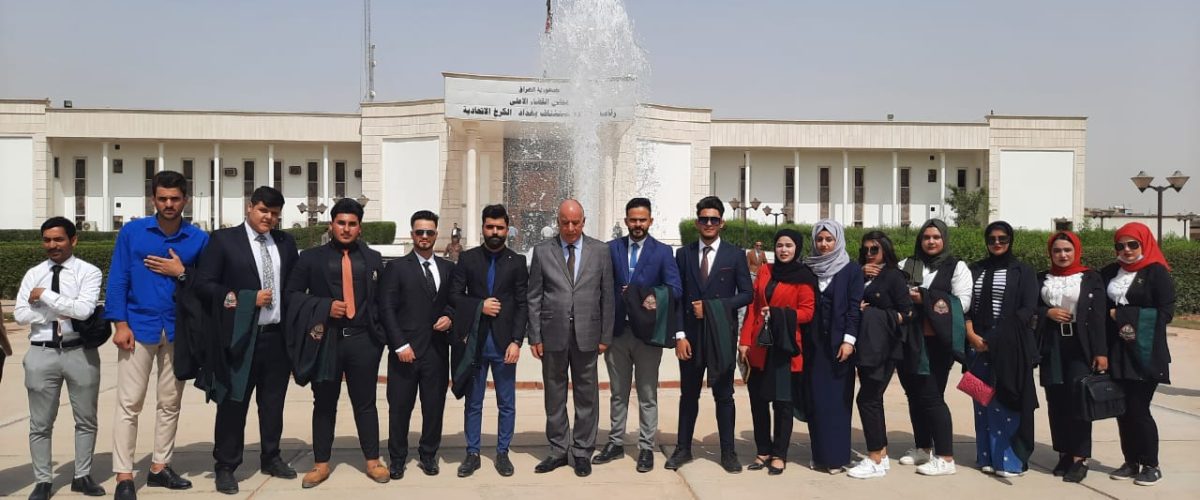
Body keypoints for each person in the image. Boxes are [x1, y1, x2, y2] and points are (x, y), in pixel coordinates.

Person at [106, 170, 207, 500]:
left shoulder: (198, 239)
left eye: (175, 198)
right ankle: (124, 475)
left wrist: (182, 272)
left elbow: (206, 284)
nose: (168, 204)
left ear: (185, 200)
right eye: (162, 198)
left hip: (178, 330)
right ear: (153, 199)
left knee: (170, 402)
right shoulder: (133, 233)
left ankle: (160, 467)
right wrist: (120, 324)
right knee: (129, 403)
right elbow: (118, 278)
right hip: (138, 327)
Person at [193, 186, 299, 494]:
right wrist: (243, 298)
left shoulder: (285, 242)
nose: (269, 218)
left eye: (275, 214)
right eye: (264, 210)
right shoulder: (223, 240)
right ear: (249, 207)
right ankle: (226, 465)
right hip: (240, 338)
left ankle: (271, 457)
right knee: (233, 404)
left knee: (273, 404)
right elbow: (204, 285)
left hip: (276, 338)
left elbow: (294, 286)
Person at [284, 198, 388, 487]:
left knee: (365, 403)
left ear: (360, 228)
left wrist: (378, 337)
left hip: (363, 341)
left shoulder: (373, 258)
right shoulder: (310, 258)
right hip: (326, 341)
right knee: (324, 404)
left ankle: (372, 461)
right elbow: (291, 295)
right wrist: (324, 306)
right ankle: (321, 464)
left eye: (352, 224)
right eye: (341, 223)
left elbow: (382, 300)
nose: (346, 228)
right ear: (331, 225)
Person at [14, 217, 106, 499]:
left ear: (73, 240)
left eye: (58, 239)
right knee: (40, 423)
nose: (52, 245)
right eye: (47, 240)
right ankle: (43, 480)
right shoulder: (34, 273)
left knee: (86, 419)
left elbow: (84, 310)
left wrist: (44, 296)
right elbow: (20, 314)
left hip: (80, 352)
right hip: (41, 353)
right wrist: (58, 309)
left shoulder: (88, 272)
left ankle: (82, 475)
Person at [527, 199, 615, 477]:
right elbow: (534, 296)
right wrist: (534, 336)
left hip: (588, 335)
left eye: (576, 222)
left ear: (583, 222)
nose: (570, 228)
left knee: (586, 395)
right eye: (565, 222)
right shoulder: (543, 251)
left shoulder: (600, 251)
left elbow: (607, 296)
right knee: (554, 394)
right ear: (558, 222)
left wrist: (605, 335)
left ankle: (582, 451)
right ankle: (557, 450)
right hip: (552, 334)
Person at [594, 198, 682, 473]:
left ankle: (646, 447)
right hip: (617, 333)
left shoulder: (663, 252)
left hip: (647, 335)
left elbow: (676, 288)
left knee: (647, 393)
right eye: (633, 220)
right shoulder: (611, 249)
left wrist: (655, 296)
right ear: (626, 221)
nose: (637, 224)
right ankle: (615, 443)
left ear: (650, 221)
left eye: (642, 220)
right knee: (618, 393)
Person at [666, 196, 753, 474]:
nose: (708, 223)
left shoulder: (734, 255)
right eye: (704, 219)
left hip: (721, 336)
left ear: (722, 223)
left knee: (724, 395)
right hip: (691, 338)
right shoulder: (684, 254)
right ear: (697, 222)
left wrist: (715, 307)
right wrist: (679, 335)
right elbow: (678, 298)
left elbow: (747, 294)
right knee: (688, 395)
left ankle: (728, 452)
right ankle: (683, 449)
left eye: (714, 219)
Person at [449, 204, 528, 478]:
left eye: (500, 228)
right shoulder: (468, 259)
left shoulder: (517, 262)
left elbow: (522, 304)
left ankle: (502, 452)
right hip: (476, 343)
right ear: (483, 227)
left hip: (505, 345)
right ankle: (472, 453)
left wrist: (517, 341)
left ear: (507, 230)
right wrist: (479, 305)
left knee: (506, 403)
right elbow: (455, 295)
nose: (495, 232)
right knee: (474, 402)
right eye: (490, 227)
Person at [379, 211, 455, 479]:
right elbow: (386, 308)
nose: (424, 236)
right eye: (419, 232)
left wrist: (450, 317)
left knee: (434, 407)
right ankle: (397, 458)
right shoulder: (396, 268)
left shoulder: (447, 268)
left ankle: (429, 455)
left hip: (436, 351)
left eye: (429, 232)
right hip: (405, 352)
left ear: (436, 234)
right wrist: (399, 345)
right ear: (412, 234)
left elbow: (454, 301)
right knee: (400, 408)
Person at [895, 218, 971, 476]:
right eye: (926, 237)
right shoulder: (907, 264)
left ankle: (946, 457)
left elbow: (962, 302)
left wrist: (925, 298)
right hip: (909, 338)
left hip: (936, 341)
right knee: (913, 395)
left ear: (944, 239)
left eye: (936, 237)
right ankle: (923, 447)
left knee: (932, 396)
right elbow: (895, 291)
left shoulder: (956, 267)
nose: (931, 241)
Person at [964, 221, 1039, 478]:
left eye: (1002, 238)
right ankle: (986, 456)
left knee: (1008, 401)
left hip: (1010, 347)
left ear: (1010, 240)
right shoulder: (975, 269)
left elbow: (1027, 309)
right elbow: (965, 305)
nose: (997, 243)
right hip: (977, 345)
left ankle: (1010, 462)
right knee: (982, 402)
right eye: (992, 239)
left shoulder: (1023, 271)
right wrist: (971, 334)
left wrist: (995, 338)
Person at [738, 229, 815, 476]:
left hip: (785, 347)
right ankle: (763, 450)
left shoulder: (804, 277)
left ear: (797, 248)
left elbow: (808, 312)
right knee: (758, 400)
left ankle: (779, 454)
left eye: (789, 245)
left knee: (783, 403)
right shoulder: (765, 270)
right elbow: (753, 306)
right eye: (780, 245)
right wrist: (744, 340)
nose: (783, 250)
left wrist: (780, 314)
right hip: (760, 345)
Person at [1101, 222, 1174, 486]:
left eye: (1133, 244)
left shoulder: (1157, 272)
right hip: (1117, 351)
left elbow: (1165, 313)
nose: (1127, 250)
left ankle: (1151, 464)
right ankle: (1131, 462)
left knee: (1139, 409)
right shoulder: (1110, 272)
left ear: (1145, 244)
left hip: (1145, 353)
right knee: (1122, 409)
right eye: (1120, 245)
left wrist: (1121, 315)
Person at [1037, 230, 1107, 483]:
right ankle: (1064, 452)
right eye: (1057, 250)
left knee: (1078, 399)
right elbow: (1030, 306)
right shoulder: (1041, 278)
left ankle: (1080, 457)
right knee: (1056, 399)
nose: (1062, 255)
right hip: (1052, 343)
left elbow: (1099, 316)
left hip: (1080, 344)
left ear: (1076, 251)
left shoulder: (1090, 277)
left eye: (1067, 250)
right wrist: (1047, 313)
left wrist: (1101, 352)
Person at [846, 231, 913, 479]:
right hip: (864, 347)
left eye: (874, 249)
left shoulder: (893, 276)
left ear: (885, 250)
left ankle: (874, 457)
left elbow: (907, 313)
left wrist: (874, 313)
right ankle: (881, 454)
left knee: (866, 399)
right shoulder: (859, 274)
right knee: (873, 400)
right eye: (865, 250)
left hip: (884, 348)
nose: (869, 254)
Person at [802, 219, 863, 474]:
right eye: (820, 239)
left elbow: (854, 308)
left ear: (838, 241)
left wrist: (849, 340)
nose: (824, 244)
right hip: (813, 345)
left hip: (839, 347)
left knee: (838, 402)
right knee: (816, 401)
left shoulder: (851, 269)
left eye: (829, 239)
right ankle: (820, 455)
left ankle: (837, 457)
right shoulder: (808, 268)